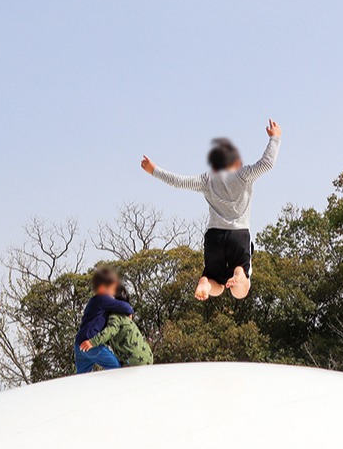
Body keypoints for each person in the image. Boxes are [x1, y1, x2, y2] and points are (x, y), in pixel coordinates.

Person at [141, 119, 282, 301]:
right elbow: (267, 163)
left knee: (216, 283)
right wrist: (275, 138)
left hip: (214, 238)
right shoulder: (244, 175)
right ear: (237, 163)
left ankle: (205, 283)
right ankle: (239, 275)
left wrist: (154, 170)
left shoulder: (207, 180)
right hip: (238, 235)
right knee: (241, 288)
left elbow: (178, 181)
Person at [75, 268, 134, 373]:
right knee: (116, 368)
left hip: (79, 344)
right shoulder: (103, 299)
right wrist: (129, 313)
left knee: (81, 378)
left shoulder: (92, 301)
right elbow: (126, 307)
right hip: (90, 342)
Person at [82, 282, 154, 367]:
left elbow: (110, 331)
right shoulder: (125, 318)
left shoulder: (115, 316)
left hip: (133, 360)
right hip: (147, 356)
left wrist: (92, 342)